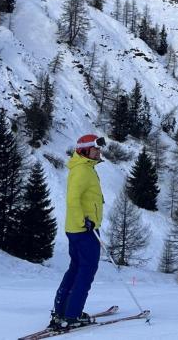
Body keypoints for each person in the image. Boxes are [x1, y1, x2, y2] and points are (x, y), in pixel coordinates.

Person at [50, 134, 106, 329]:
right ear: (84, 150)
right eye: (95, 149)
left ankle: (61, 311)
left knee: (76, 268)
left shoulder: (83, 168)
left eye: (99, 149)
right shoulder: (82, 170)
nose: (99, 152)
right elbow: (72, 200)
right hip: (84, 230)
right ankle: (72, 315)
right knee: (86, 270)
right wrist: (85, 222)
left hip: (77, 229)